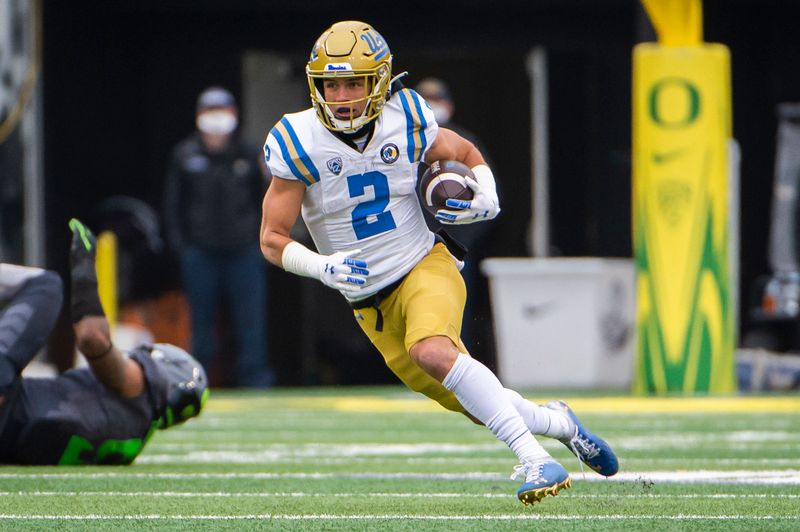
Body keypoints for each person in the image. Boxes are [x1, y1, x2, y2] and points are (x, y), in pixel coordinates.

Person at [259, 20, 619, 505]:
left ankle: (536, 459)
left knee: (433, 350)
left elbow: (463, 150)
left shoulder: (404, 117)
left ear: (380, 82)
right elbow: (272, 239)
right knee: (474, 402)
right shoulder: (298, 138)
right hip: (369, 303)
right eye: (331, 83)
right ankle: (559, 422)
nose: (342, 95)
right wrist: (320, 266)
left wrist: (486, 191)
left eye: (354, 83)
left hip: (423, 263)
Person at [0, 219, 207, 465]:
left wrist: (84, 267)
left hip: (8, 404)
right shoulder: (128, 447)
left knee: (45, 285)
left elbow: (92, 339)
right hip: (8, 439)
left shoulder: (139, 390)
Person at [163, 86, 274, 388]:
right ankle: (196, 383)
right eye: (209, 111)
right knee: (201, 324)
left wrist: (262, 242)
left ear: (234, 114)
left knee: (250, 323)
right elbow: (174, 205)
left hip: (243, 252)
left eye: (221, 110)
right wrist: (182, 248)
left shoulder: (249, 152)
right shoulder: (185, 154)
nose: (216, 118)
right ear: (199, 116)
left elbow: (264, 199)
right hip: (200, 253)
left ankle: (255, 383)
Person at [415, 77, 497, 353]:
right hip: (412, 248)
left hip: (454, 249)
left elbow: (488, 202)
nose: (433, 107)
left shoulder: (464, 142)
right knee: (417, 315)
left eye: (437, 100)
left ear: (449, 104)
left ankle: (463, 372)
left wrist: (459, 240)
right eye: (426, 101)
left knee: (456, 314)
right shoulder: (407, 145)